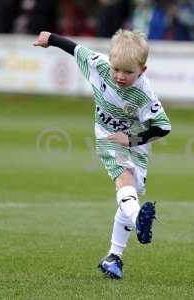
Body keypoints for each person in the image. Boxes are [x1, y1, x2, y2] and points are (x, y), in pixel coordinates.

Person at [33, 29, 171, 279]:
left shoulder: (144, 93)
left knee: (130, 195)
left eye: (128, 72)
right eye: (117, 69)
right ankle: (139, 218)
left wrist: (130, 139)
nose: (120, 76)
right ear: (111, 62)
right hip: (107, 136)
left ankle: (113, 257)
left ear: (143, 70)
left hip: (135, 142)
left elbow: (163, 127)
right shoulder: (99, 65)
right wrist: (50, 39)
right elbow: (75, 48)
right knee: (124, 179)